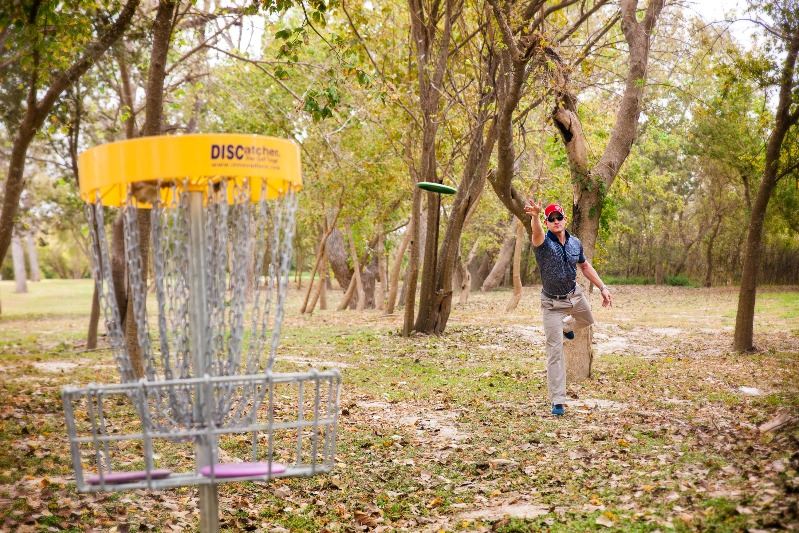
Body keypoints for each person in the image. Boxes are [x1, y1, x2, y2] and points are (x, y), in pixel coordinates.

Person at [523, 200, 613, 416]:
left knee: (587, 320)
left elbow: (584, 266)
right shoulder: (543, 243)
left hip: (574, 296)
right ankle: (558, 401)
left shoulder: (575, 243)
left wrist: (602, 287)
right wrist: (535, 217)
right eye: (551, 219)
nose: (556, 221)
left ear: (565, 219)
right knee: (555, 352)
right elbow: (537, 233)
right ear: (547, 222)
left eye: (559, 217)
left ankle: (567, 327)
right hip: (551, 304)